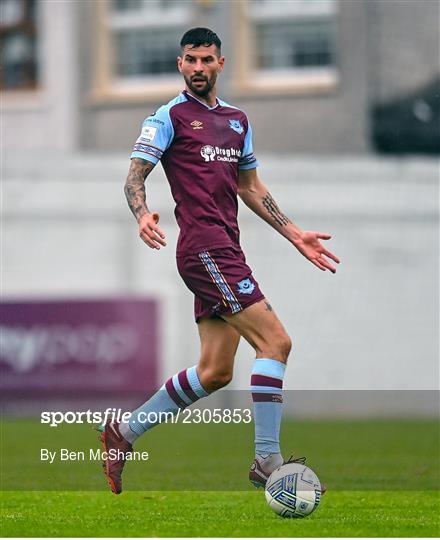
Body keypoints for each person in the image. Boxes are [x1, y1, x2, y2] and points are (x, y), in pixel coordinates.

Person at [100, 27, 339, 495]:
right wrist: (141, 213)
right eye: (190, 59)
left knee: (215, 372)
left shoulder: (237, 120)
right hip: (205, 250)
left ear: (220, 64)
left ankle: (122, 434)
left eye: (207, 60)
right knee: (277, 343)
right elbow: (134, 177)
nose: (198, 68)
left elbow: (251, 187)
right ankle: (267, 460)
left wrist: (295, 235)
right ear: (179, 63)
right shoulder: (168, 117)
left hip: (227, 248)